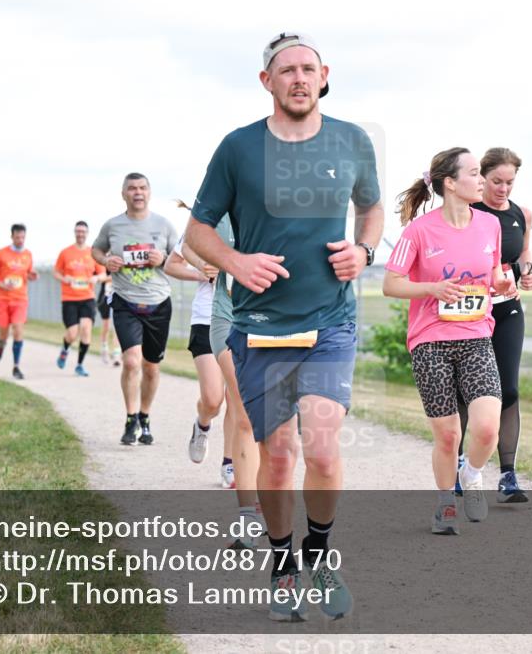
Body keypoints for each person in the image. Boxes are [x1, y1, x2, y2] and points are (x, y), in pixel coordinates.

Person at [185, 32, 383, 622]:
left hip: (331, 319)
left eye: (307, 68)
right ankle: (282, 561)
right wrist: (235, 261)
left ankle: (318, 554)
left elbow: (371, 208)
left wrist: (365, 253)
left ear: (324, 75)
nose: (298, 78)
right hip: (261, 326)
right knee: (278, 457)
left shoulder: (352, 140)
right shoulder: (238, 148)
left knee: (322, 447)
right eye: (285, 70)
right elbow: (199, 229)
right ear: (266, 81)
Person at [383, 147, 515, 534]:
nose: (482, 180)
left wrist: (504, 283)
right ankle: (445, 505)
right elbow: (391, 284)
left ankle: (471, 475)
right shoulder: (419, 231)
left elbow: (492, 276)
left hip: (476, 336)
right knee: (448, 434)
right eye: (475, 174)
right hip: (430, 341)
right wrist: (434, 288)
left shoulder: (489, 225)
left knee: (487, 427)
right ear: (450, 183)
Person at [455, 147, 532, 502]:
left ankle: (508, 476)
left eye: (510, 182)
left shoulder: (522, 214)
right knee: (464, 390)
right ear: (482, 178)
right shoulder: (469, 213)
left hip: (508, 309)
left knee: (510, 390)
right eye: (496, 181)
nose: (503, 189)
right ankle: (458, 465)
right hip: (471, 311)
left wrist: (529, 274)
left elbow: (523, 255)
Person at [188, 210, 266, 545]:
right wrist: (205, 263)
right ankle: (251, 517)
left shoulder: (287, 209)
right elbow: (190, 242)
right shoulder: (221, 212)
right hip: (225, 317)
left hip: (276, 319)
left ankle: (267, 501)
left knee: (278, 424)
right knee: (240, 409)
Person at [92, 173, 179, 446]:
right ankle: (130, 419)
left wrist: (162, 258)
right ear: (124, 194)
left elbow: (178, 257)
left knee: (151, 368)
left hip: (158, 303)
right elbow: (96, 250)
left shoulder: (163, 225)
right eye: (132, 188)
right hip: (125, 301)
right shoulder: (113, 225)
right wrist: (106, 260)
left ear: (149, 193)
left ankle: (145, 416)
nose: (137, 192)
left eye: (142, 188)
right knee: (131, 361)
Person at [164, 201, 226, 479]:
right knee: (213, 400)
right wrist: (200, 271)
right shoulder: (204, 226)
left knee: (238, 400)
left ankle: (230, 463)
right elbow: (172, 264)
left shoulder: (254, 220)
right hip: (206, 319)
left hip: (243, 320)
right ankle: (202, 425)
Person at [0, 224, 38, 380]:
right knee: (4, 331)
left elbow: (28, 273)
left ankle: (16, 366)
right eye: (17, 237)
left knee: (17, 329)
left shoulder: (28, 254)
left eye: (23, 237)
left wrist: (32, 275)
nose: (20, 240)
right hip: (2, 299)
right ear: (12, 237)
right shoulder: (2, 254)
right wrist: (1, 284)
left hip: (20, 298)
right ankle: (1, 345)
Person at [54, 221, 104, 377]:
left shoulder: (93, 253)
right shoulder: (65, 253)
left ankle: (80, 365)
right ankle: (65, 349)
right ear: (75, 233)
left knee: (86, 329)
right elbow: (56, 272)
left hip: (87, 298)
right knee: (72, 333)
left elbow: (102, 274)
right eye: (78, 231)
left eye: (83, 231)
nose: (80, 234)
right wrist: (64, 278)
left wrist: (97, 279)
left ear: (87, 233)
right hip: (69, 298)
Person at [95, 269, 121, 366]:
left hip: (118, 298)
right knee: (106, 326)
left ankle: (116, 355)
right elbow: (100, 278)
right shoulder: (104, 264)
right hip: (105, 298)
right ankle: (104, 348)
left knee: (116, 328)